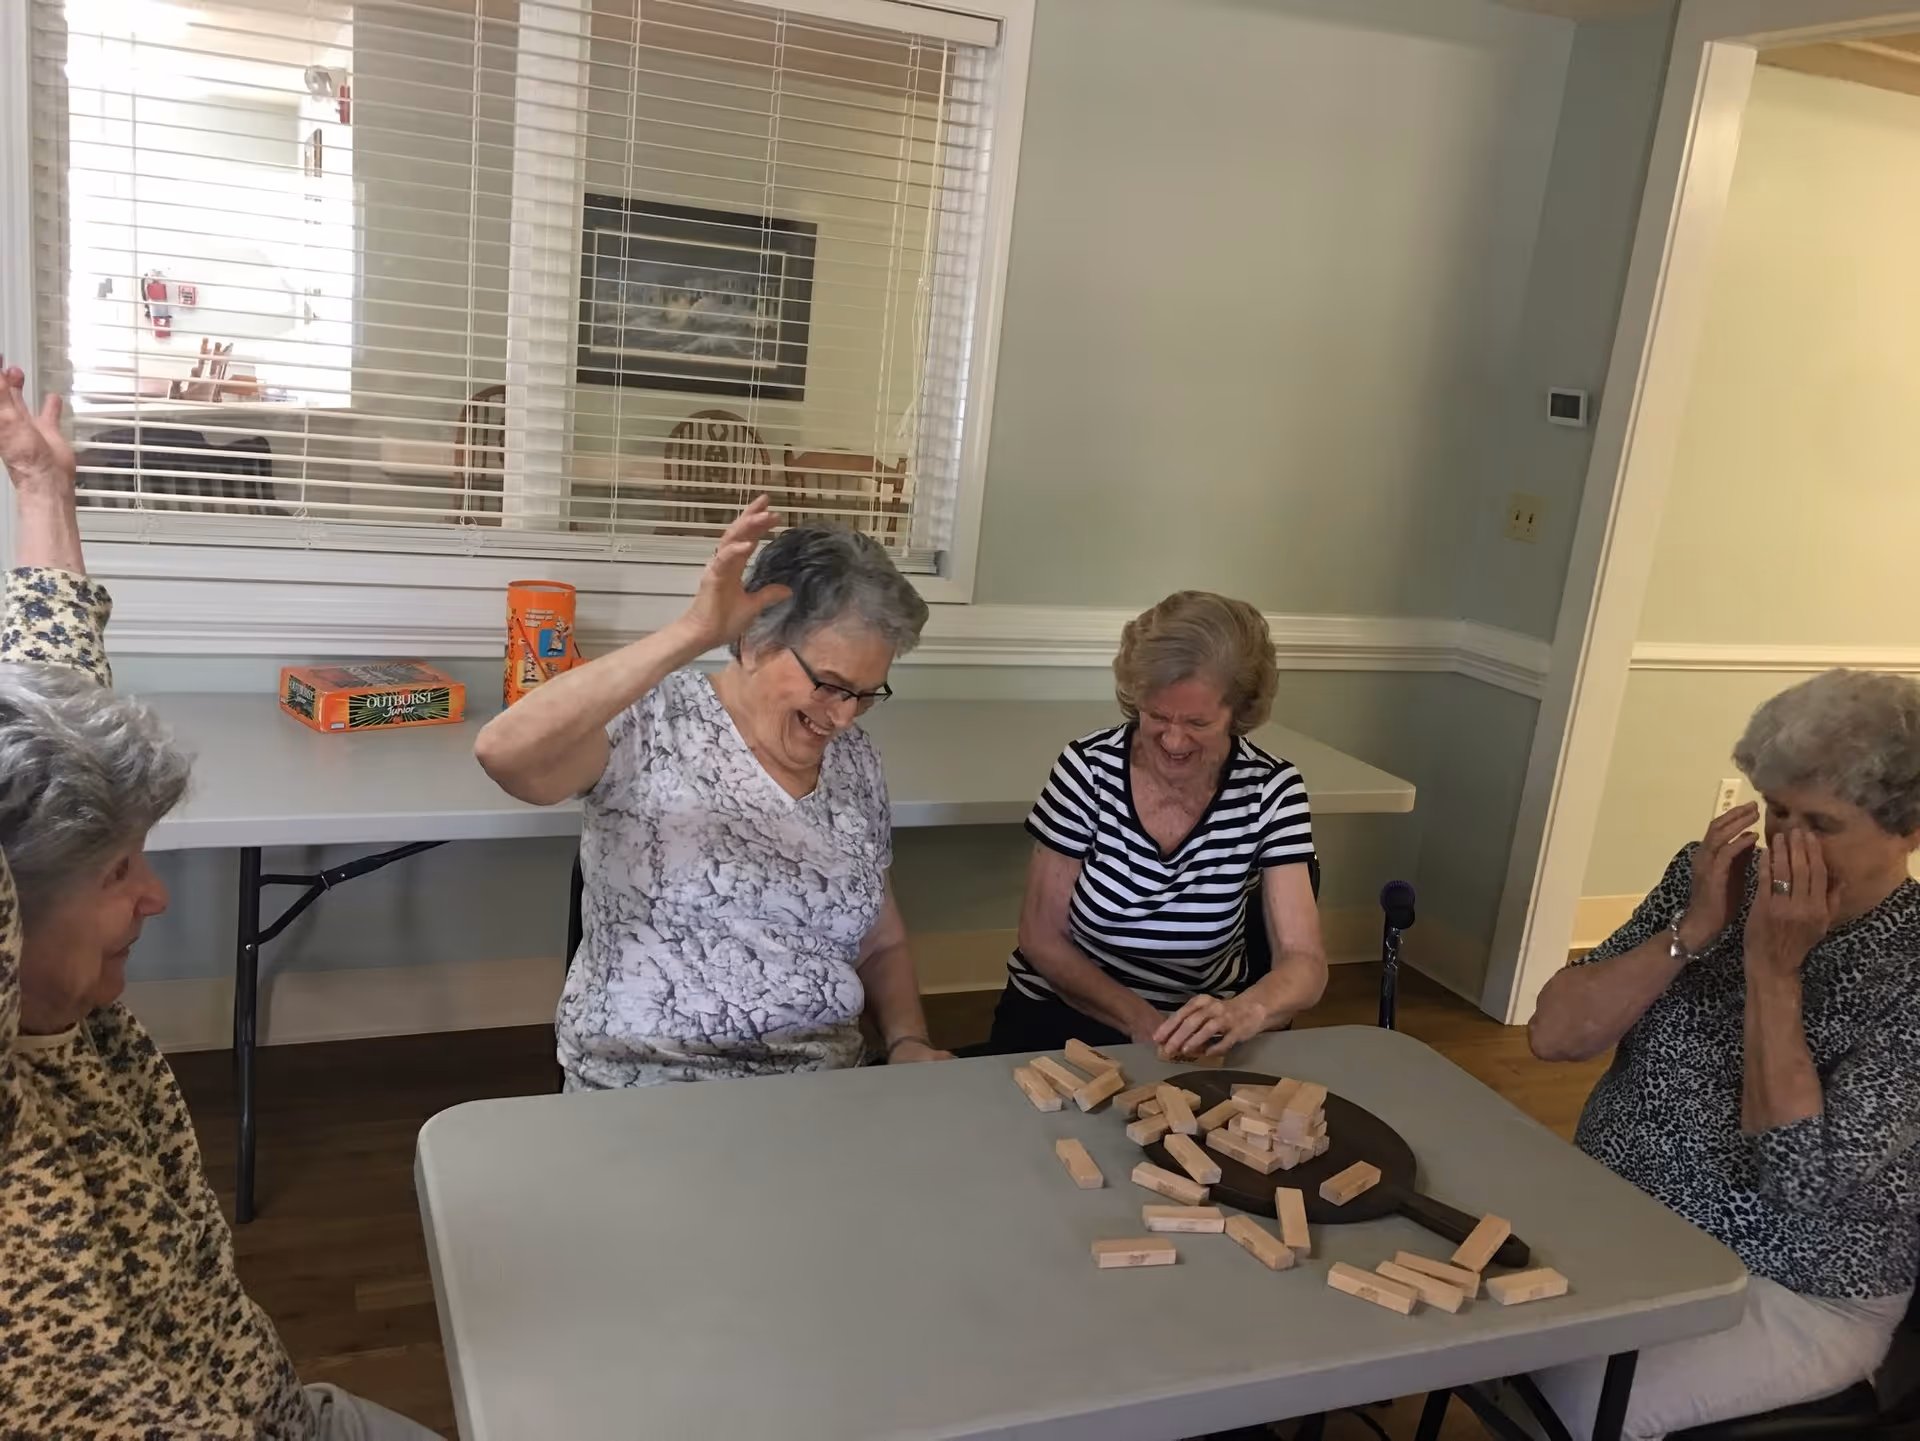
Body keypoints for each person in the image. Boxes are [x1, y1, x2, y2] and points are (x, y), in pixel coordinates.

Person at [0, 360, 436, 1438]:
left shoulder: (76, 1015)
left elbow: (55, 681)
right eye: (117, 874)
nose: (156, 896)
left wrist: (43, 493)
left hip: (271, 1407)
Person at [1527, 669, 1920, 1441]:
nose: (1789, 843)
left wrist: (1774, 974)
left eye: (1821, 822)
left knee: (1579, 1397)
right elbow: (1553, 1035)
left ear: (1906, 827)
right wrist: (1693, 930)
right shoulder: (1711, 877)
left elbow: (1803, 1182)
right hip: (1615, 1213)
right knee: (1452, 1332)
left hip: (1793, 1285)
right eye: (1777, 811)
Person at [475, 499, 951, 1088]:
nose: (845, 717)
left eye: (866, 693)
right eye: (830, 685)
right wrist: (694, 631)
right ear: (754, 642)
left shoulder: (855, 762)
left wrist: (908, 1041)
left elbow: (881, 941)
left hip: (821, 1084)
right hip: (648, 1084)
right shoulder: (651, 722)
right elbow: (505, 752)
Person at [986, 590, 1327, 1058]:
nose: (1172, 739)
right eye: (1157, 715)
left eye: (1198, 723)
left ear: (1239, 714)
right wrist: (1141, 1022)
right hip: (1066, 1012)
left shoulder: (1272, 789)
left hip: (1200, 1026)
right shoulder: (1088, 768)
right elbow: (1042, 937)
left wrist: (1244, 1012)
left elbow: (1303, 961)